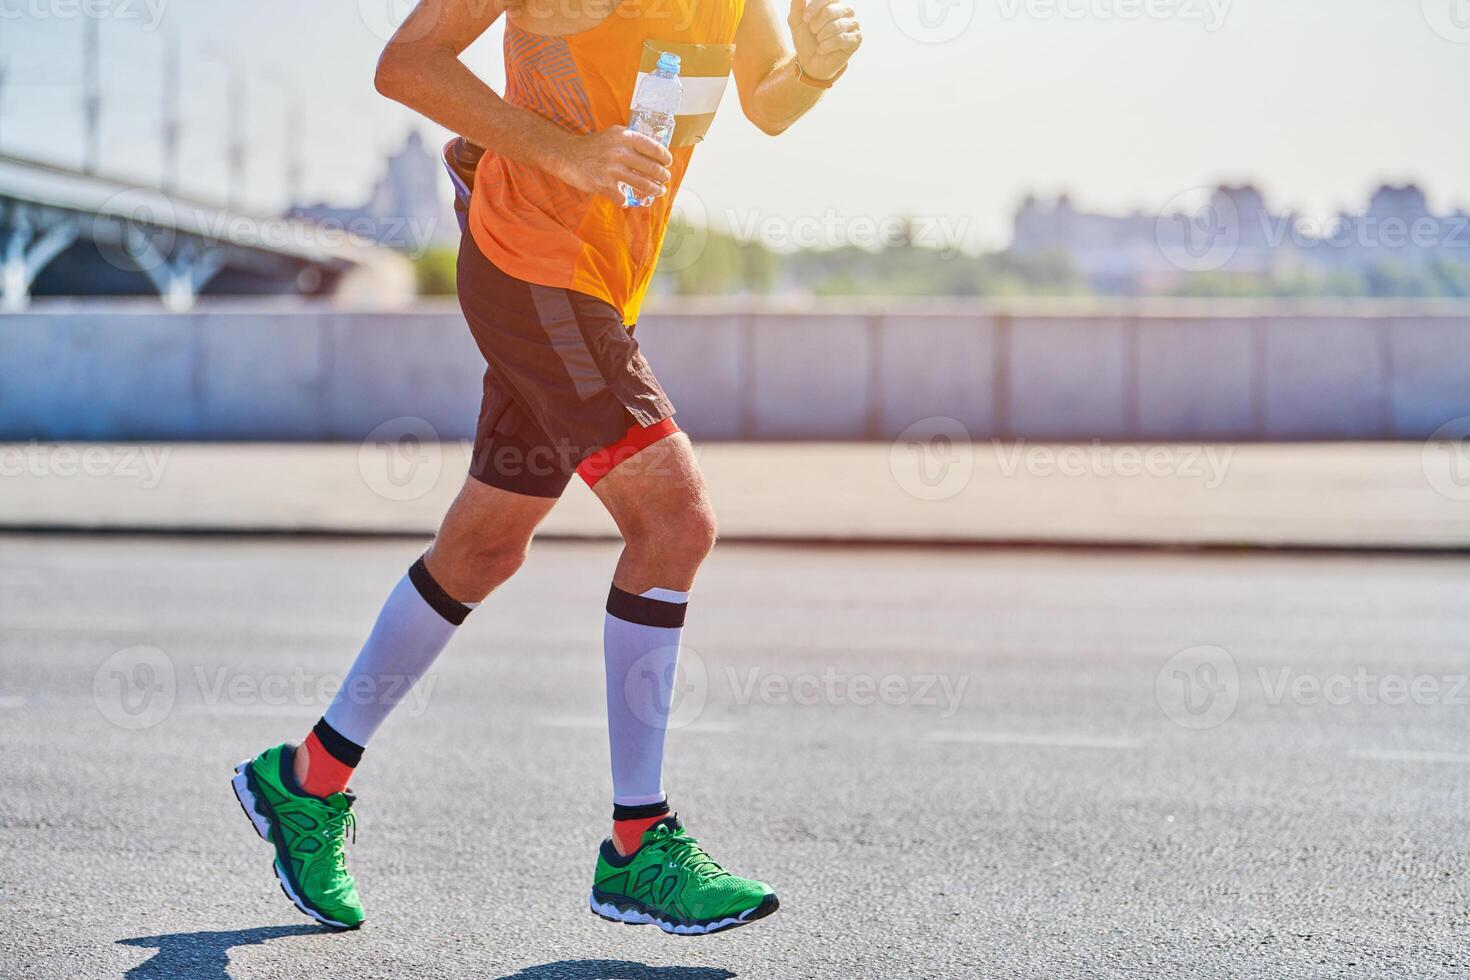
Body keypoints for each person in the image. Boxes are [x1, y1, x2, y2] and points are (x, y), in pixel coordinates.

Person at [231, 0, 861, 936]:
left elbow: (766, 104)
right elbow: (407, 63)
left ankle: (307, 781)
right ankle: (638, 846)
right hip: (534, 261)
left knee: (484, 547)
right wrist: (567, 154)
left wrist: (812, 69)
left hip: (601, 278)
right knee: (675, 520)